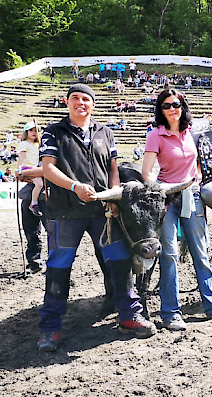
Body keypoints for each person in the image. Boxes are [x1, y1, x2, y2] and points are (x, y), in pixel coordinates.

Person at [37, 83, 156, 352]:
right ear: (67, 102)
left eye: (86, 99)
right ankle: (50, 327)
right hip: (65, 211)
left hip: (103, 211)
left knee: (121, 260)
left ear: (93, 104)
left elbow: (114, 170)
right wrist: (75, 187)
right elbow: (48, 169)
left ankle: (129, 316)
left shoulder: (106, 132)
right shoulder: (53, 132)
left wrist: (114, 197)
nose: (81, 103)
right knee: (59, 267)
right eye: (75, 98)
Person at [142, 88, 212, 331]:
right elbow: (148, 171)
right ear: (160, 110)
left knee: (200, 252)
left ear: (183, 107)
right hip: (167, 198)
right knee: (169, 254)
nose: (172, 109)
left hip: (192, 197)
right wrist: (156, 189)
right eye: (167, 105)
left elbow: (205, 162)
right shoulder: (155, 136)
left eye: (176, 104)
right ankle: (170, 312)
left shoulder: (192, 132)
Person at [17, 122, 44, 216]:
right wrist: (19, 169)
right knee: (40, 184)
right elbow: (21, 157)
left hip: (36, 167)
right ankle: (33, 203)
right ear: (26, 132)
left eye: (35, 131)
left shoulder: (37, 144)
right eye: (31, 130)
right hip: (28, 168)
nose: (33, 132)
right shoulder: (24, 144)